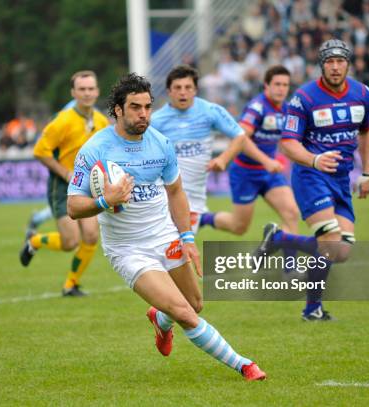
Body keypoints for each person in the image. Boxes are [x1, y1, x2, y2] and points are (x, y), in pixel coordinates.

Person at [66, 73, 266, 381]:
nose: (143, 114)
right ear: (118, 109)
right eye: (135, 107)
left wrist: (186, 237)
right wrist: (106, 201)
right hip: (128, 249)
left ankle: (160, 318)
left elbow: (175, 192)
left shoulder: (160, 143)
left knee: (194, 304)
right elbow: (73, 207)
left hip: (164, 235)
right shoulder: (96, 149)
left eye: (147, 106)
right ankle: (244, 365)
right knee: (185, 313)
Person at [256, 39, 369, 321]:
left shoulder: (362, 93)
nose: (335, 67)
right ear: (321, 65)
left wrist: (368, 173)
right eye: (329, 62)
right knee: (331, 240)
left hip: (341, 177)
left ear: (348, 63)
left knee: (341, 250)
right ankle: (310, 307)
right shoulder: (304, 98)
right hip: (310, 175)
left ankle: (281, 241)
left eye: (340, 61)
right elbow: (288, 143)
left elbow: (367, 131)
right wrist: (314, 159)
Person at [19, 71, 108, 296]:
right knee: (70, 242)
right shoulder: (63, 120)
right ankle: (35, 241)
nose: (87, 93)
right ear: (73, 93)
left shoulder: (101, 121)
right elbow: (40, 151)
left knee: (91, 236)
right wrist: (66, 173)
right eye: (82, 89)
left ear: (97, 92)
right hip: (63, 186)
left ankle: (71, 285)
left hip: (89, 186)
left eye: (90, 89)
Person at [200, 65, 300, 237]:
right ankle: (203, 219)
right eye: (277, 84)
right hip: (245, 173)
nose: (281, 89)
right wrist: (266, 161)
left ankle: (286, 260)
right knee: (239, 227)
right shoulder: (257, 108)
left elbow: (286, 141)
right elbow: (241, 139)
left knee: (292, 214)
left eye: (285, 85)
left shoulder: (286, 109)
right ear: (266, 85)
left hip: (269, 173)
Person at [150, 65, 249, 233]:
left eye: (188, 87)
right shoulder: (156, 121)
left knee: (238, 228)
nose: (183, 92)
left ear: (195, 90)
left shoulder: (210, 111)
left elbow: (240, 135)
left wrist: (223, 159)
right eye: (177, 88)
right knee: (175, 248)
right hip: (166, 195)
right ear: (169, 91)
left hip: (195, 196)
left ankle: (203, 218)